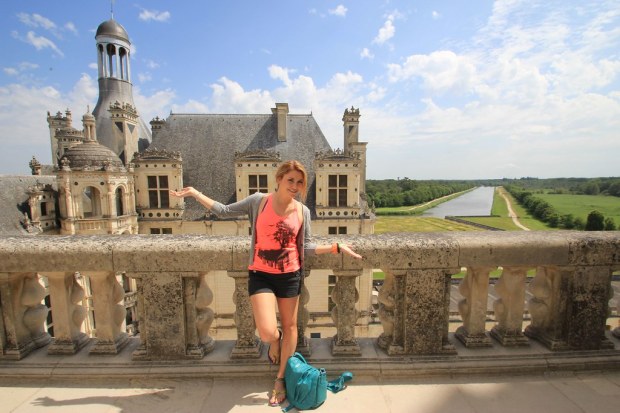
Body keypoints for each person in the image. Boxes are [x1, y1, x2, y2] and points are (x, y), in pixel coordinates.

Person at [170, 160, 362, 407]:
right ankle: (276, 340)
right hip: (261, 273)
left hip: (290, 275)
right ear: (279, 179)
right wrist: (194, 193)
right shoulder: (259, 202)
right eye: (290, 180)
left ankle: (280, 378)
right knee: (268, 331)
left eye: (300, 182)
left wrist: (336, 246)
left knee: (292, 326)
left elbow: (305, 246)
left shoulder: (303, 211)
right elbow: (223, 210)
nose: (295, 185)